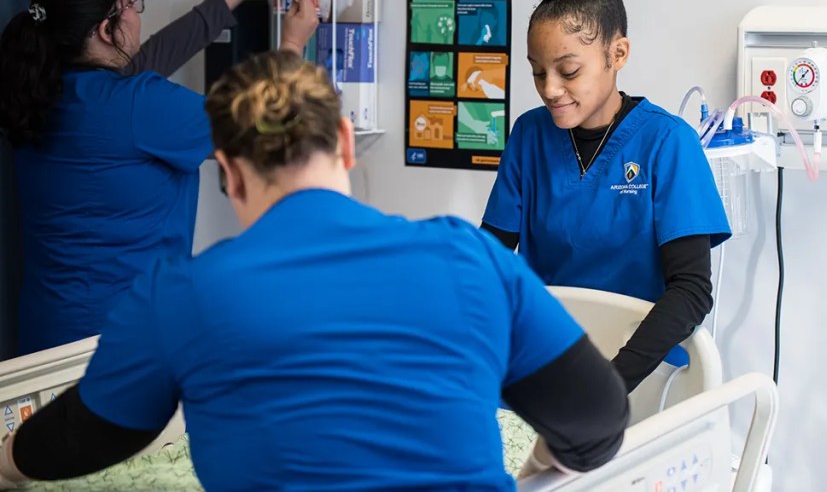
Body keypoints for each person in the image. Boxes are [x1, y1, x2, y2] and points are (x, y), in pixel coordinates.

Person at [0, 51, 628, 491]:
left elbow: (90, 434)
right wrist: (541, 466)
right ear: (346, 143)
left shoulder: (179, 295)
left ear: (230, 172)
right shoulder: (470, 258)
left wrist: (8, 463)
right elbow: (599, 416)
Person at [0, 0, 317, 355]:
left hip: (45, 338)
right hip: (120, 345)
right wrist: (293, 43)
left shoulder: (38, 93)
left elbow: (148, 59)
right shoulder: (138, 106)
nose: (136, 13)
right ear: (104, 29)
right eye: (131, 3)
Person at [482, 0, 731, 393]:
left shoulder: (667, 143)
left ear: (617, 55)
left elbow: (691, 291)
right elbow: (491, 262)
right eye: (538, 72)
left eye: (568, 70)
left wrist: (608, 384)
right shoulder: (530, 137)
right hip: (547, 363)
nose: (550, 89)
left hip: (645, 376)